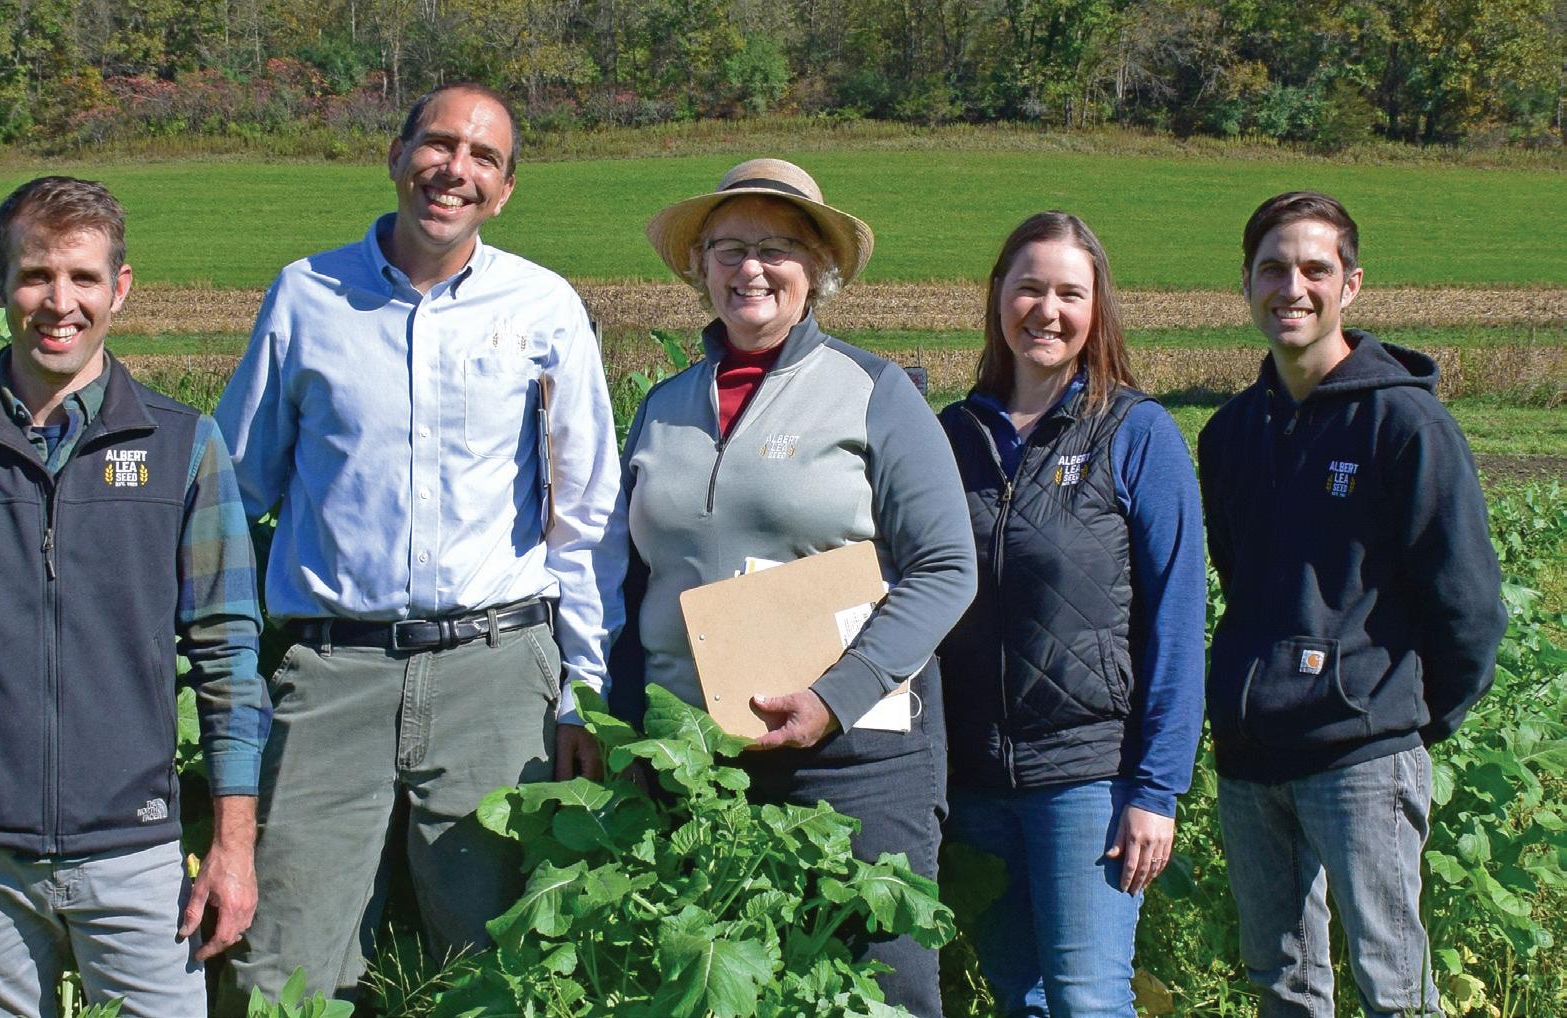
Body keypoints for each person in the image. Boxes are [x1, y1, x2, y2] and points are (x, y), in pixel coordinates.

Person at [211, 81, 626, 1007]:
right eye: (438, 145)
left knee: (497, 967)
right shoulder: (307, 295)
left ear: (505, 190)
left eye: (484, 158)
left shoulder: (543, 306)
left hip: (496, 674)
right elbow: (235, 491)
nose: (455, 171)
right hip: (333, 672)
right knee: (280, 968)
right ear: (396, 156)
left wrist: (582, 692)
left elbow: (585, 518)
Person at [0, 176, 268, 1018]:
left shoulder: (183, 446)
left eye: (83, 277)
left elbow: (228, 656)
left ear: (120, 287)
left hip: (136, 850)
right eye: (36, 275)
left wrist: (233, 846)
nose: (59, 302)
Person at [615, 158, 976, 1018]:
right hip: (699, 764)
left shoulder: (874, 392)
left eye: (776, 247)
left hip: (854, 762)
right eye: (728, 247)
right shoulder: (661, 407)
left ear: (817, 268)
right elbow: (629, 579)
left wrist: (835, 696)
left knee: (877, 995)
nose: (751, 268)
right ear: (699, 265)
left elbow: (946, 568)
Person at [1198, 191, 1506, 1016]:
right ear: (1245, 282)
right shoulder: (1228, 434)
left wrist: (1395, 717)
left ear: (1350, 285)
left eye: (1314, 269)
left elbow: (1468, 607)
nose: (1291, 288)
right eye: (1272, 269)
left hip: (1362, 754)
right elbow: (1240, 576)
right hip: (1251, 755)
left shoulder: (1404, 425)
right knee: (1281, 986)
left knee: (1392, 987)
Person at [936, 212, 1206, 1017]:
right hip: (974, 782)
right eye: (1028, 288)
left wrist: (1156, 789)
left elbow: (1176, 621)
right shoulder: (951, 437)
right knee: (1019, 1001)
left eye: (1068, 293)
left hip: (1088, 779)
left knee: (1086, 1000)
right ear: (997, 297)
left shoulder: (1135, 433)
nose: (1046, 311)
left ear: (1096, 309)